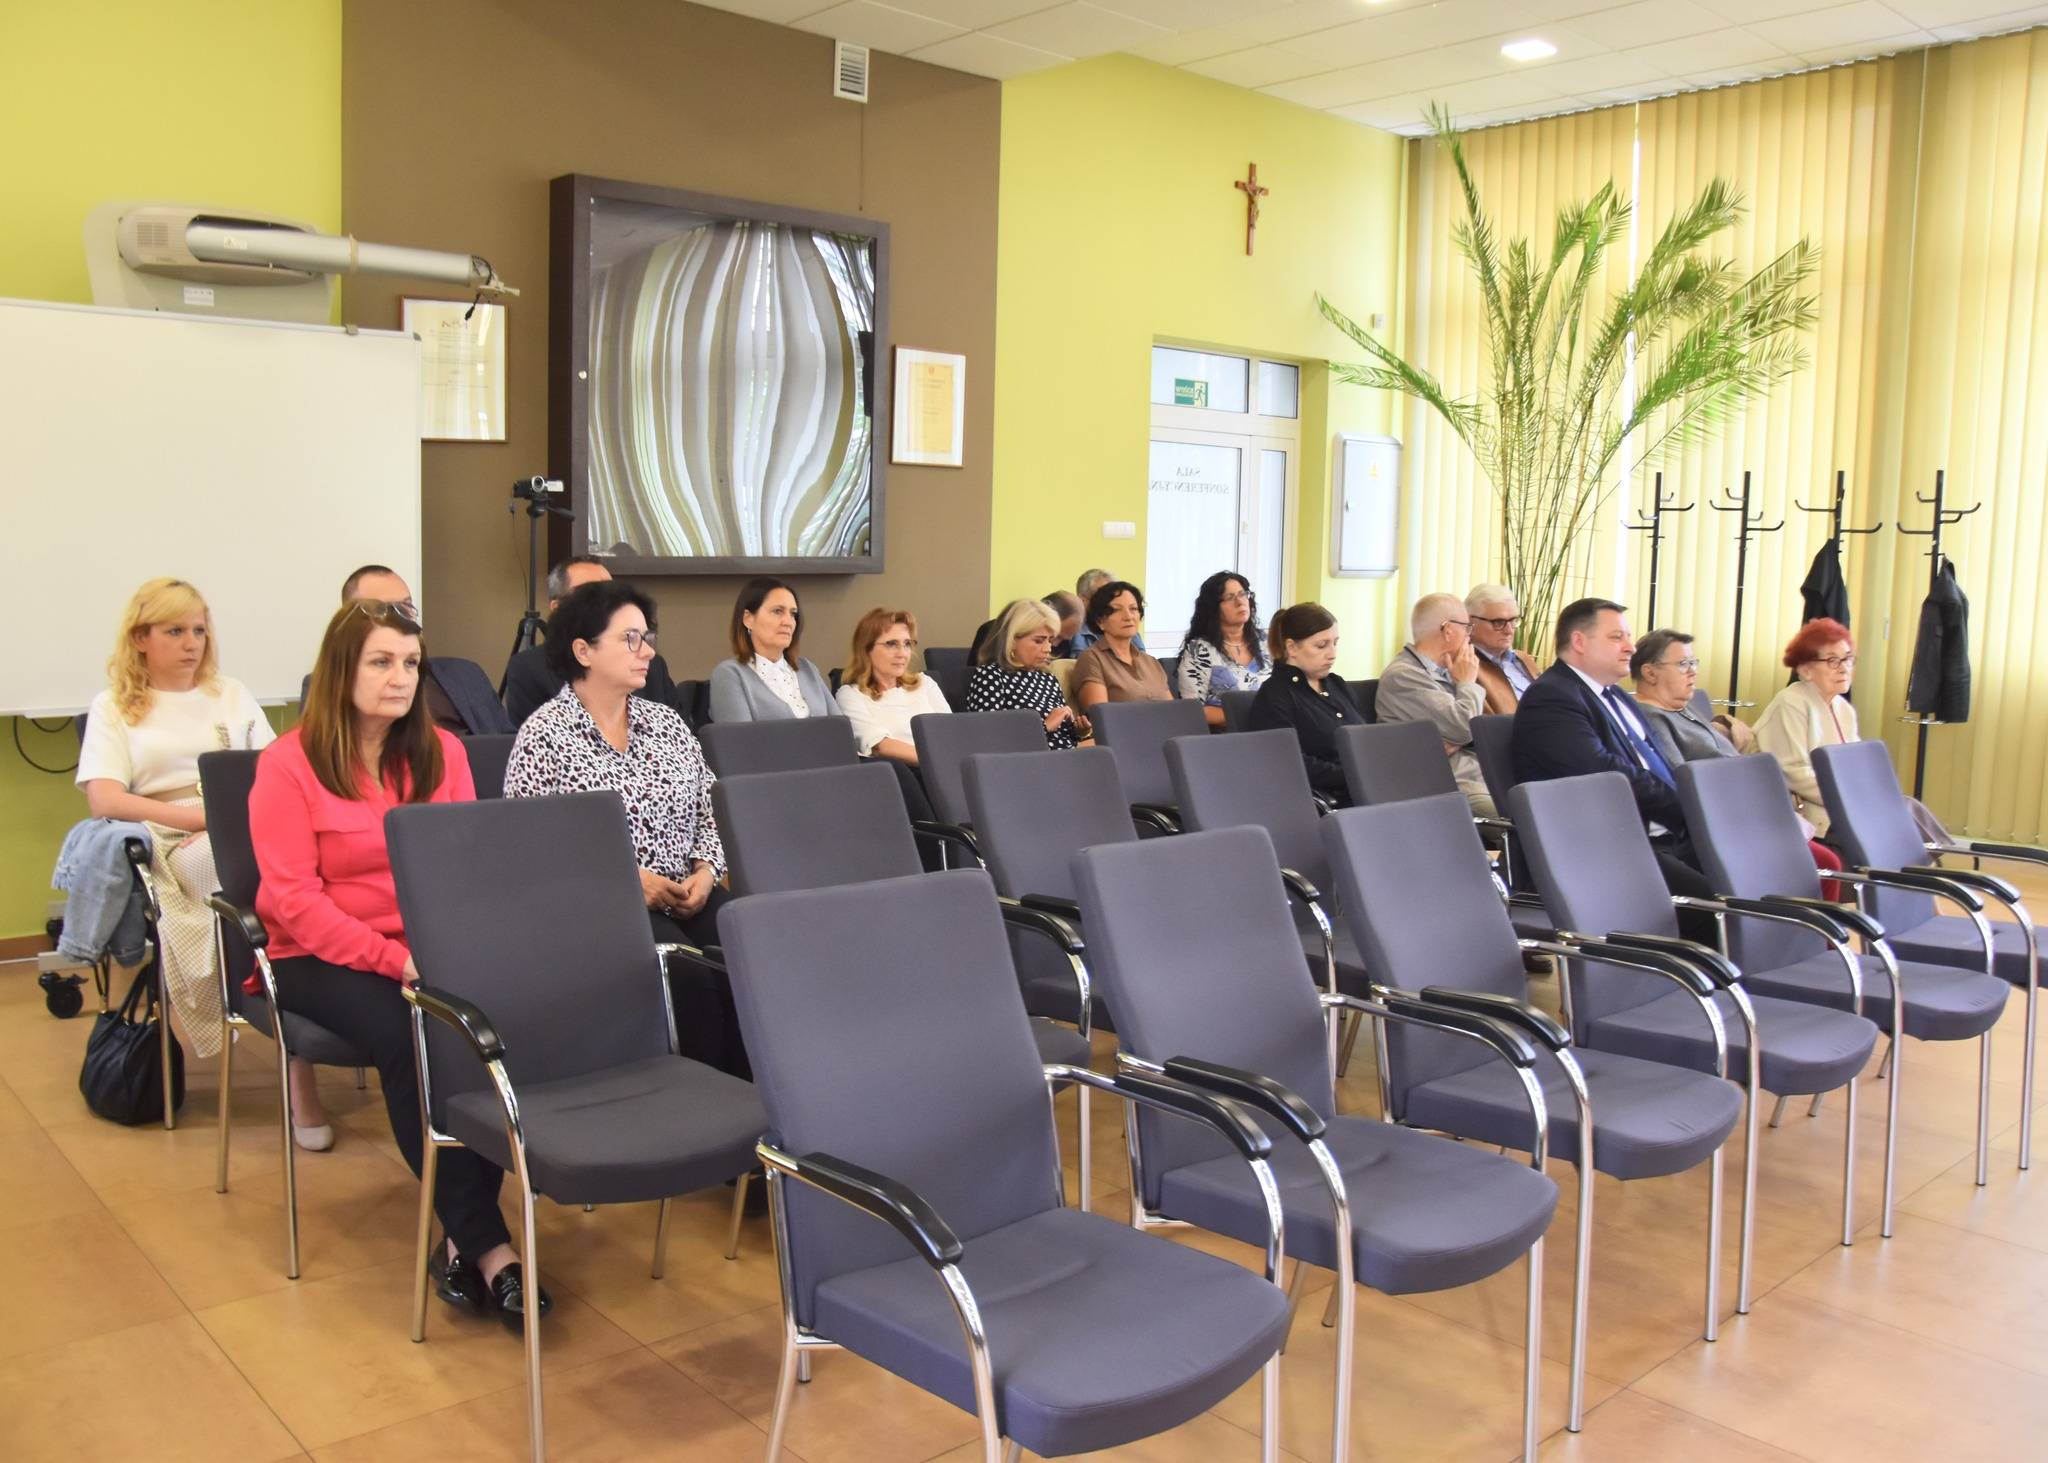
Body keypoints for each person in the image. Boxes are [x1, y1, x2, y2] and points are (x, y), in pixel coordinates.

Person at [249, 599, 545, 1328]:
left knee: (485, 1022)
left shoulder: (442, 752)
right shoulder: (287, 764)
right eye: (381, 661)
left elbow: (464, 869)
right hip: (315, 954)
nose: (401, 677)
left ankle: (460, 1237)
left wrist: (449, 949)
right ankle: (491, 1246)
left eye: (411, 663)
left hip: (425, 949)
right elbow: (294, 902)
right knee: (410, 1032)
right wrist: (393, 957)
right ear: (341, 670)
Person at [77, 579, 301, 1128]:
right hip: (172, 832)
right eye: (175, 631)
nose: (191, 642)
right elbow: (105, 799)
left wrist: (233, 820)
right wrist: (203, 820)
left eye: (199, 630)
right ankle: (263, 992)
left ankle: (298, 990)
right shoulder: (115, 705)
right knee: (225, 868)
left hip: (243, 820)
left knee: (296, 870)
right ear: (141, 638)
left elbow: (277, 771)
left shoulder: (231, 693)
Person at [503, 581, 743, 1078]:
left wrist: (706, 870)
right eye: (631, 639)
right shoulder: (543, 736)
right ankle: (702, 1104)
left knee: (751, 952)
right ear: (583, 651)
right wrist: (629, 880)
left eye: (647, 637)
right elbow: (530, 851)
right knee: (689, 975)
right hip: (599, 904)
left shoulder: (667, 724)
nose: (647, 651)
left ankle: (758, 1102)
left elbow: (710, 808)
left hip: (686, 891)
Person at [1512, 598, 1719, 916]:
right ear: (1579, 642)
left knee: (1755, 880)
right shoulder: (1552, 697)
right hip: (1611, 848)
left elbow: (1656, 763)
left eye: (1628, 637)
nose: (1630, 648)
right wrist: (1685, 804)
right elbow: (1604, 774)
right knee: (1721, 909)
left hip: (1666, 833)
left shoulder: (1615, 694)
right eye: (1616, 637)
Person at [1632, 628, 1844, 894]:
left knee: (1825, 864)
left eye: (1694, 662)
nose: (1693, 671)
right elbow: (1681, 777)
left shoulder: (1683, 709)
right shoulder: (1651, 718)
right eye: (1683, 663)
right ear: (1650, 673)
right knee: (1823, 865)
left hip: (1752, 809)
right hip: (1728, 821)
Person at [1753, 618, 1950, 843]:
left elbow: (1854, 767)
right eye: (1832, 661)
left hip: (1844, 803)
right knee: (1899, 814)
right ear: (1806, 669)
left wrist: (1867, 791)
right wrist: (1853, 796)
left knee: (1906, 807)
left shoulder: (1843, 708)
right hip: (1811, 813)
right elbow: (1793, 772)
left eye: (1847, 659)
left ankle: (1932, 858)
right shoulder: (1791, 702)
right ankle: (1930, 859)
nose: (1844, 668)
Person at [500, 555, 686, 725]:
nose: (608, 605)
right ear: (557, 608)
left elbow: (684, 738)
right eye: (591, 596)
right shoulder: (530, 669)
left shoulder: (653, 667)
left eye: (612, 595)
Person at [337, 566, 504, 735]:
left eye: (405, 607)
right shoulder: (330, 695)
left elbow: (508, 744)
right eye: (381, 610)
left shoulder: (466, 674)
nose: (399, 619)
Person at [1373, 592, 1494, 814]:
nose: (1469, 636)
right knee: (1524, 816)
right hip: (1451, 784)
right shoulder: (1403, 675)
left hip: (1481, 774)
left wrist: (1458, 738)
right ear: (1448, 630)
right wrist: (1467, 684)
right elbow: (1465, 728)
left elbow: (1475, 731)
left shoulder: (1450, 669)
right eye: (1467, 627)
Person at [1249, 603, 1367, 804]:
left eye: (1335, 643)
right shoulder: (1275, 695)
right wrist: (1354, 774)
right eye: (1321, 645)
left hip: (1364, 783)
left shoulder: (1336, 684)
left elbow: (1364, 736)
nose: (1332, 653)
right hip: (1329, 796)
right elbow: (1290, 762)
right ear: (1292, 647)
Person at [707, 577, 839, 723]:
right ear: (748, 619)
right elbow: (738, 736)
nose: (788, 622)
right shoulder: (729, 674)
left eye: (793, 614)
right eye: (777, 611)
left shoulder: (808, 668)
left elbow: (841, 728)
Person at [965, 598, 1090, 750]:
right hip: (1029, 760)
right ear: (1011, 640)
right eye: (1039, 641)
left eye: (1050, 640)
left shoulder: (1048, 679)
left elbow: (1062, 735)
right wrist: (1045, 726)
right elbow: (990, 740)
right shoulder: (990, 676)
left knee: (1109, 743)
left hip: (1064, 754)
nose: (1048, 649)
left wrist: (1078, 731)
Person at [836, 609, 949, 764]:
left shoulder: (925, 683)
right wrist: (940, 761)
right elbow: (879, 745)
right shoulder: (850, 695)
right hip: (903, 772)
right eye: (891, 644)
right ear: (866, 649)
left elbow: (950, 732)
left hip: (945, 766)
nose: (902, 653)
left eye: (907, 644)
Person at [1176, 571, 1270, 726]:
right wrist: (1247, 716)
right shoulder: (1200, 649)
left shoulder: (1266, 642)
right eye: (1229, 598)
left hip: (1272, 730)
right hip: (1226, 735)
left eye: (1242, 594)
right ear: (1214, 608)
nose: (1240, 602)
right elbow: (1192, 711)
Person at [1072, 580, 1171, 710]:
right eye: (1117, 610)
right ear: (1100, 620)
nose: (1128, 617)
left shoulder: (1151, 662)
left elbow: (1173, 710)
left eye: (1133, 609)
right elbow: (1102, 716)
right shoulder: (1092, 659)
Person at [1466, 583, 1542, 714]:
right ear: (1470, 623)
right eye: (1498, 622)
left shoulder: (1523, 658)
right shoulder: (1466, 666)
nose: (1509, 631)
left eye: (1513, 621)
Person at [969, 590, 1083, 664]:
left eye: (1052, 638)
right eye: (1039, 640)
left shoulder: (1049, 678)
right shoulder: (991, 631)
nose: (1052, 646)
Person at [1069, 568, 1145, 654]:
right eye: (1103, 596)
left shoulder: (1126, 627)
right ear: (1083, 600)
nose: (1110, 602)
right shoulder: (1070, 629)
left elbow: (1142, 660)